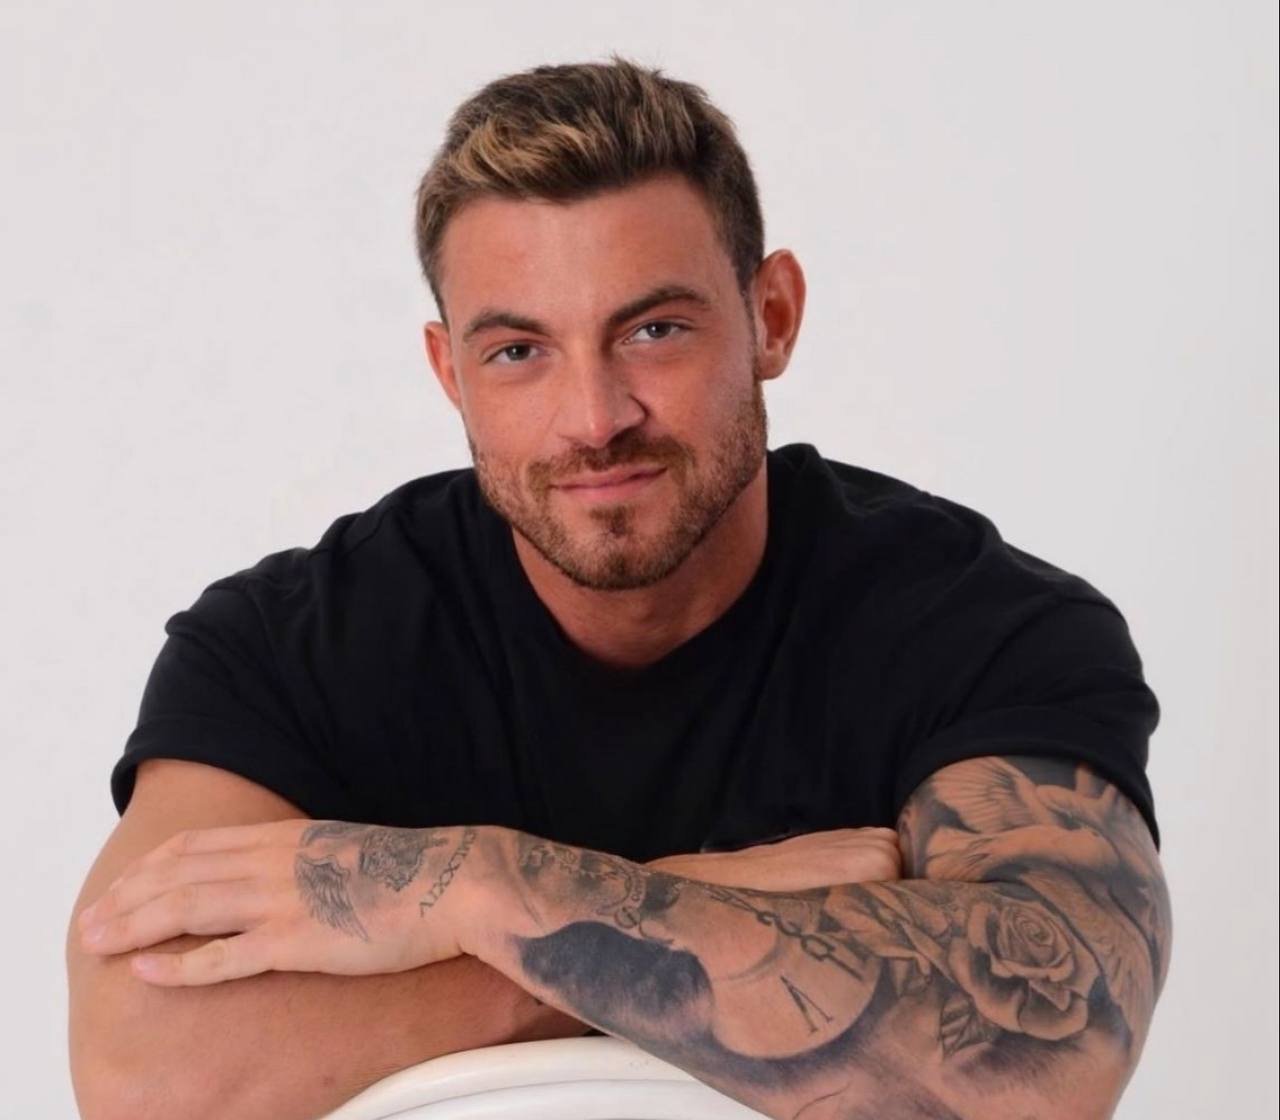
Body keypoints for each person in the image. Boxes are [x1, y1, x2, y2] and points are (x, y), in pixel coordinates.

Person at [67, 55, 1170, 1120]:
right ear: (450, 371)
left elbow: (1047, 1067)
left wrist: (474, 886)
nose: (594, 418)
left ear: (772, 317)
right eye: (519, 351)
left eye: (653, 331)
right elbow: (145, 1078)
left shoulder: (983, 628)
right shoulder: (288, 644)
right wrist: (681, 901)